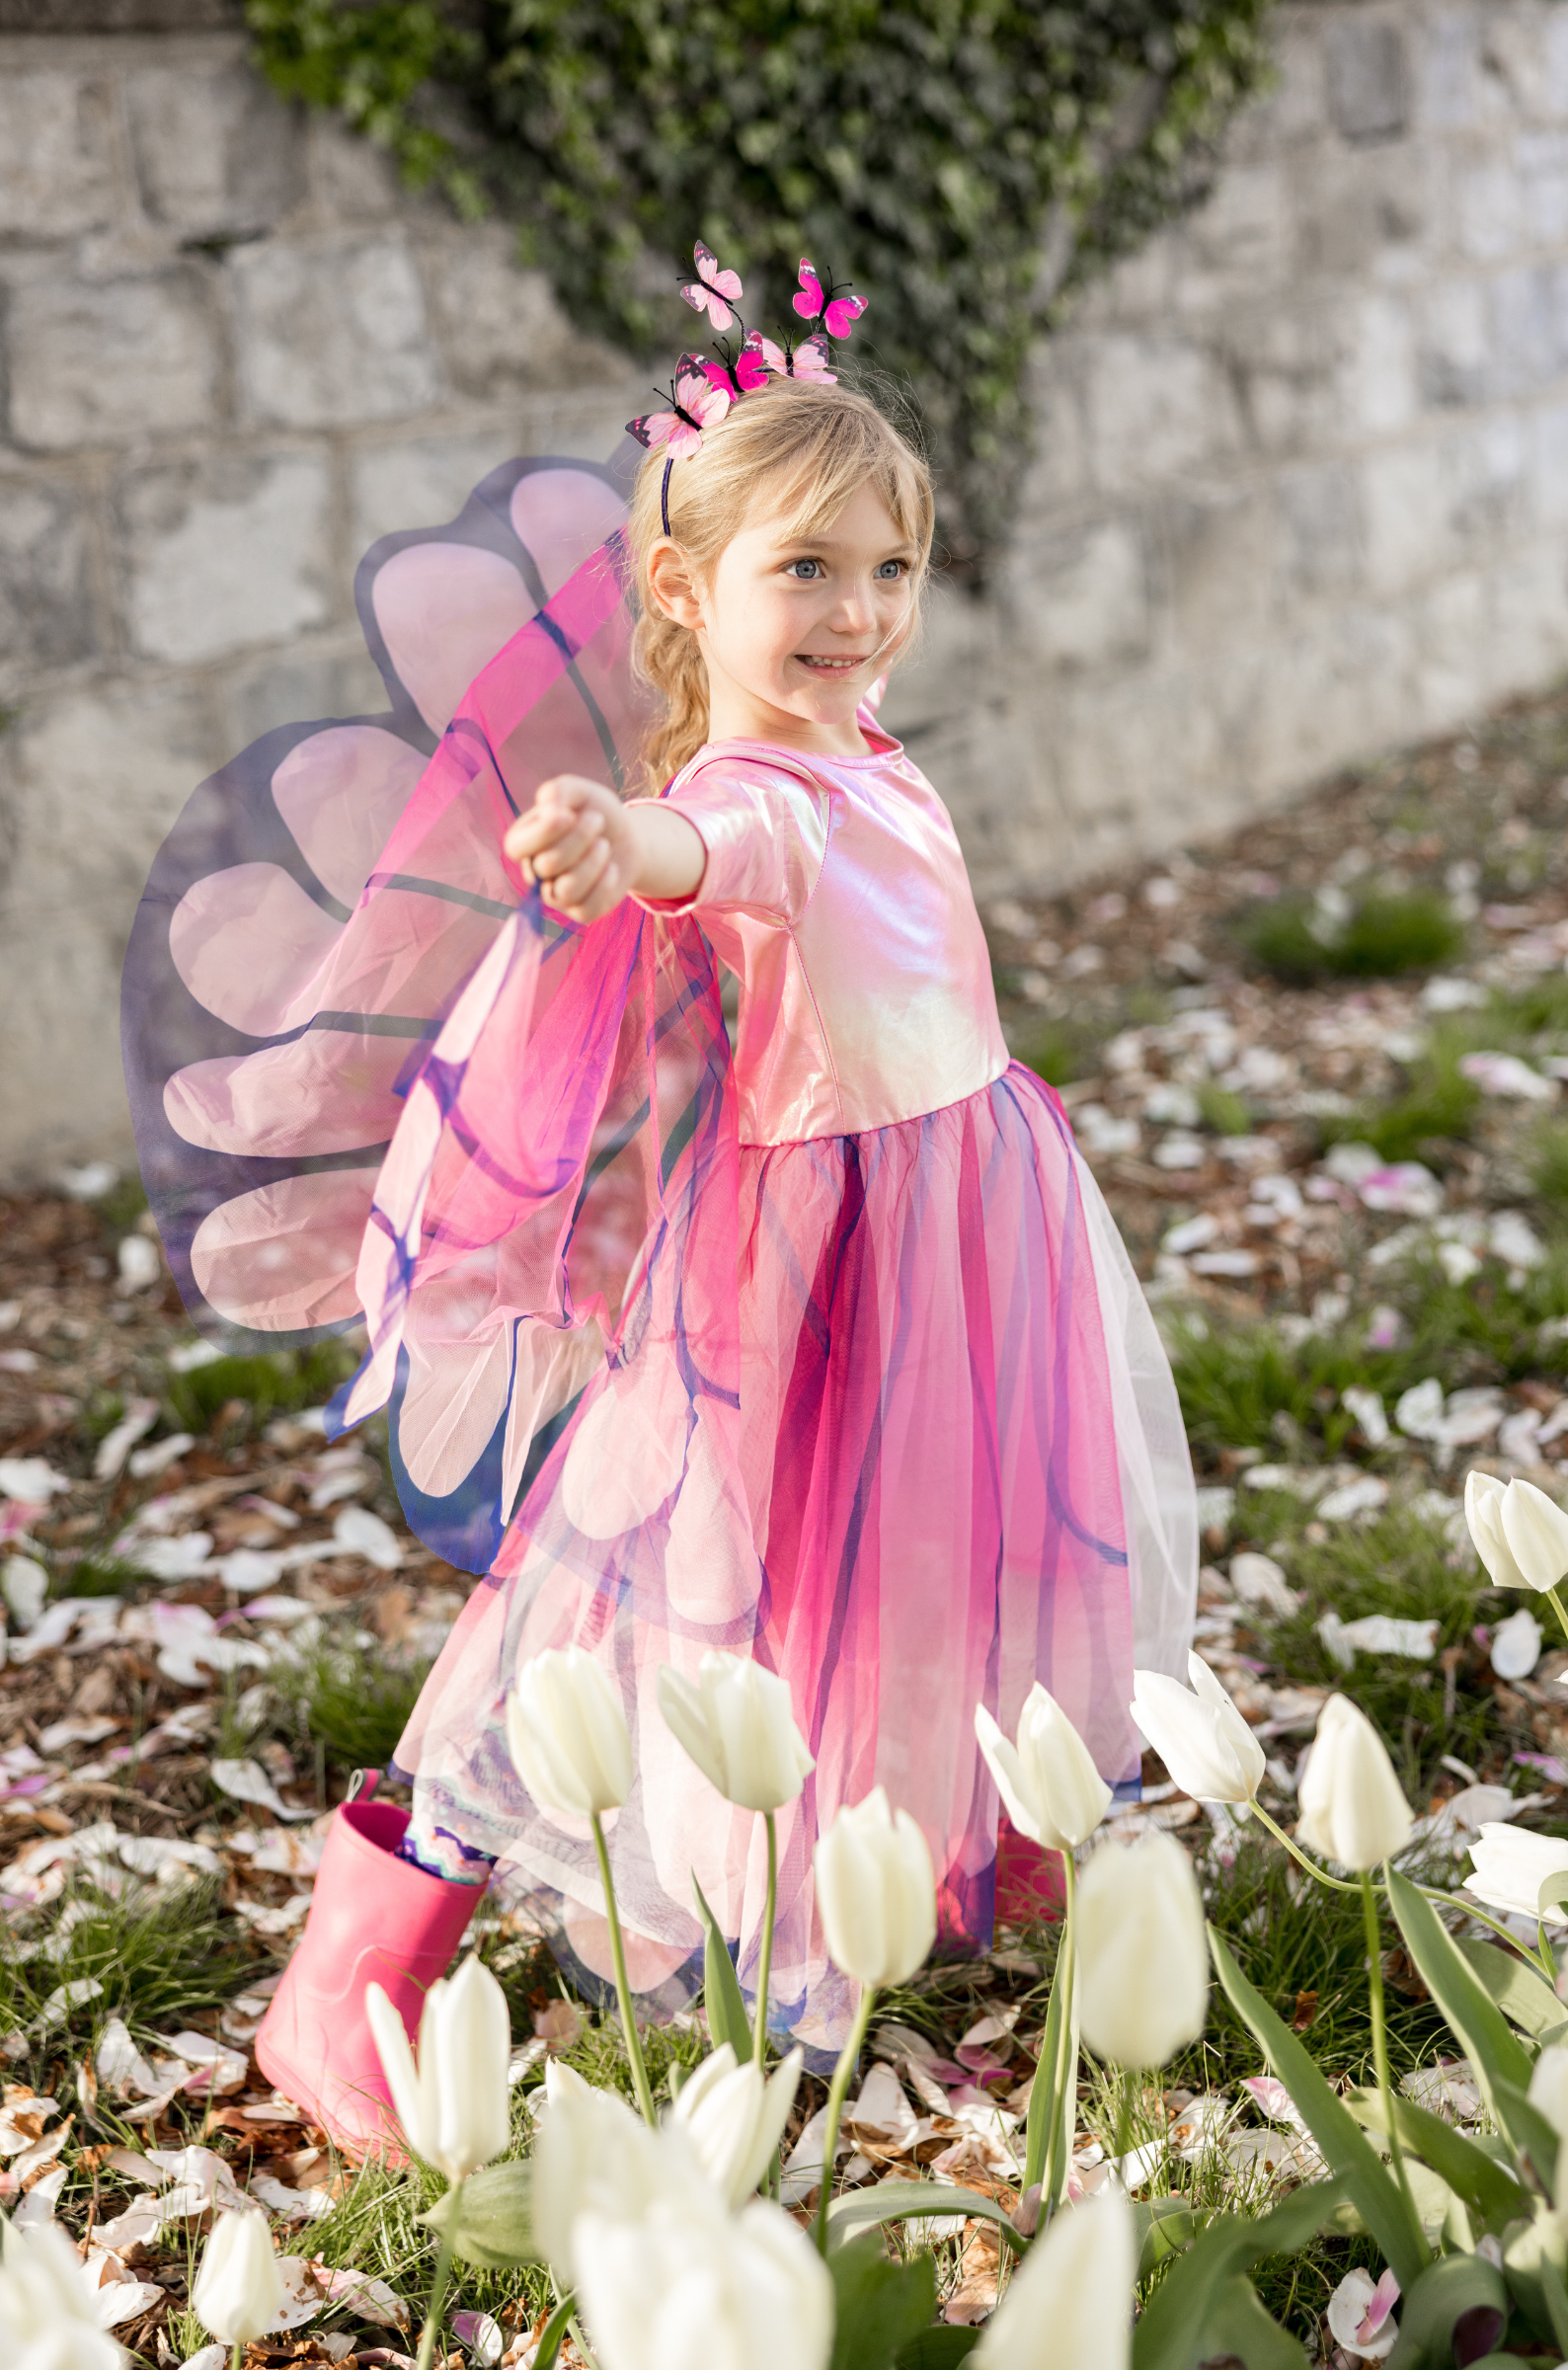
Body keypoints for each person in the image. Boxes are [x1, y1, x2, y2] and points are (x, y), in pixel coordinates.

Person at [122, 249, 1196, 2156]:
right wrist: (630, 844)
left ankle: (957, 1833)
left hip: (958, 1221)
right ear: (691, 589)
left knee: (929, 1556)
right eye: (807, 571)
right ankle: (353, 1968)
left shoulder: (863, 751)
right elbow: (717, 851)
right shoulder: (750, 784)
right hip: (813, 1265)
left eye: (888, 572)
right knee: (639, 1604)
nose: (857, 612)